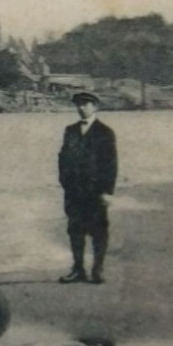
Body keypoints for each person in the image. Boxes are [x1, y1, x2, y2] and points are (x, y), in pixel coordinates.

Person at [57, 90, 117, 284]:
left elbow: (110, 164)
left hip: (96, 192)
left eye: (85, 104)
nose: (81, 108)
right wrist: (65, 182)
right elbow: (63, 158)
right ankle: (78, 269)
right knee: (75, 230)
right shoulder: (70, 130)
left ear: (95, 107)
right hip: (74, 191)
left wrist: (107, 192)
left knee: (99, 230)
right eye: (78, 104)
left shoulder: (105, 132)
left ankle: (97, 270)